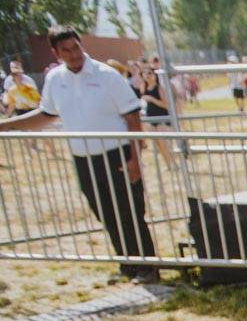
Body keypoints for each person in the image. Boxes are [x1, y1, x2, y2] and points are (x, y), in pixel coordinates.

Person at [0, 26, 159, 283]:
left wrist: (135, 159)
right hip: (83, 158)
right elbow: (46, 116)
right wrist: (6, 125)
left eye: (76, 47)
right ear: (56, 52)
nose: (74, 54)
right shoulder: (55, 79)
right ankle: (128, 263)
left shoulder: (106, 75)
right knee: (105, 212)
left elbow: (132, 117)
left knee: (129, 211)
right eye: (67, 50)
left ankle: (148, 266)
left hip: (116, 154)